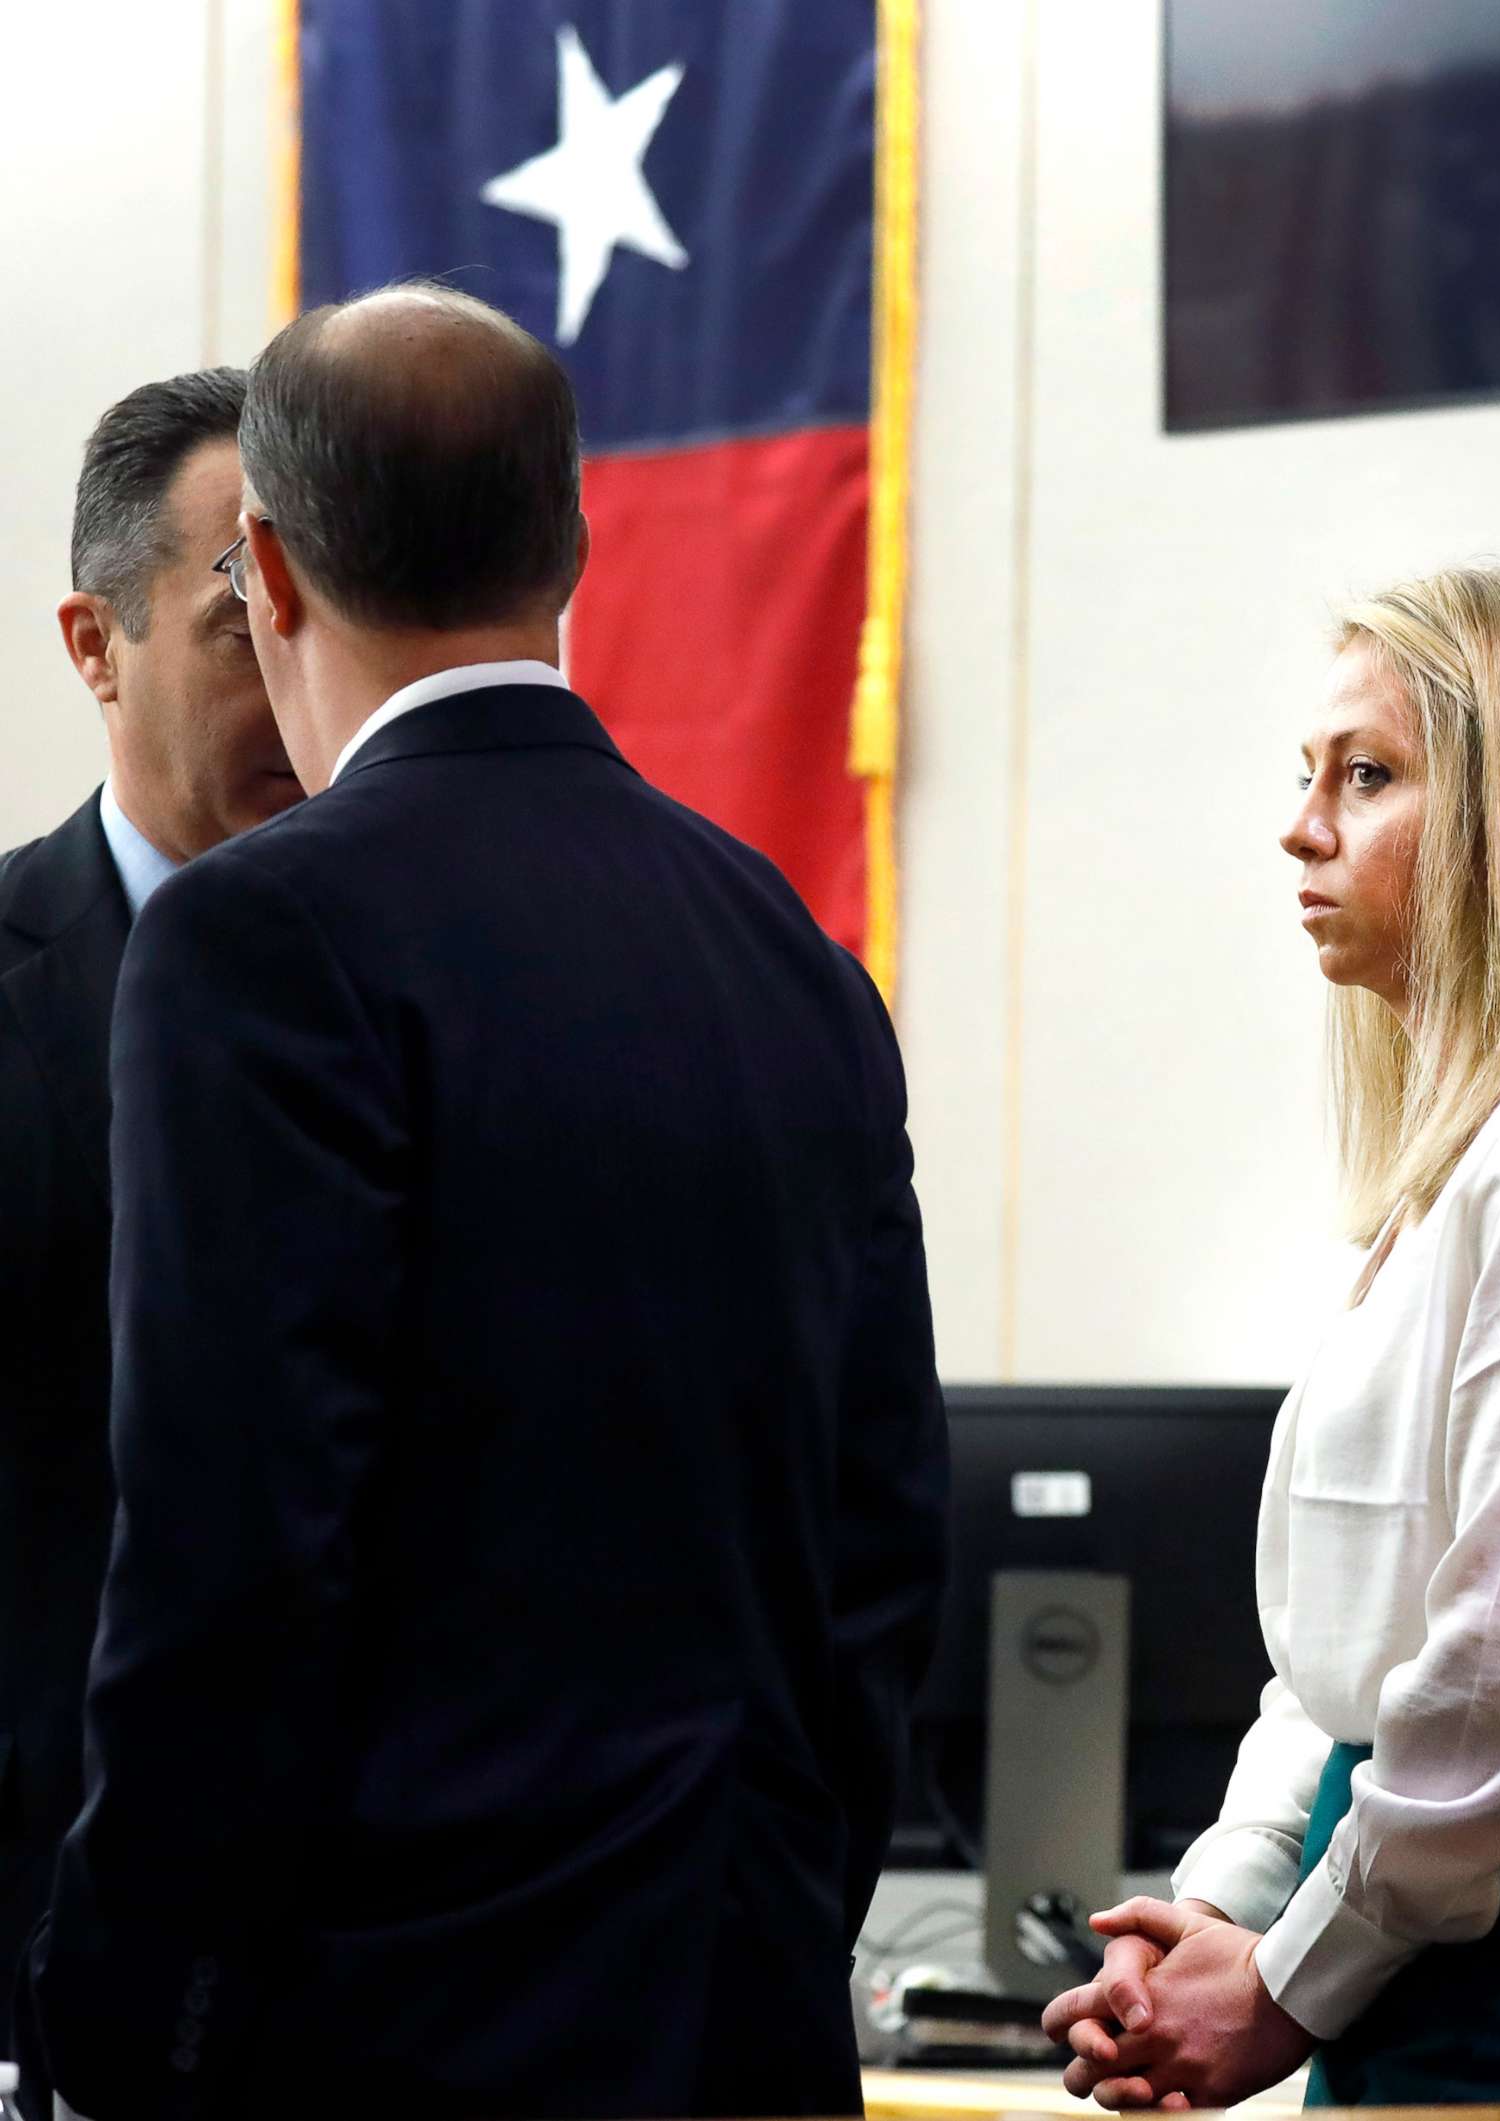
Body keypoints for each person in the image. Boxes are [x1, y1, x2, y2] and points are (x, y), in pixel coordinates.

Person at [17, 283, 949, 2120]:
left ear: (266, 574)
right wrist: (758, 1917)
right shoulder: (788, 946)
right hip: (739, 2022)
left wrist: (129, 2028)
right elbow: (884, 1539)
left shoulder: (254, 936)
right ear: (575, 545)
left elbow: (237, 1557)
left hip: (387, 2043)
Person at [1042, 566, 1500, 2108]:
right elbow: (1352, 1659)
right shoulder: (1484, 1152)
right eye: (1308, 776)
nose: (1301, 827)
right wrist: (1223, 1910)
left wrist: (1288, 1977)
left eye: (1367, 776)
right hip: (1426, 1919)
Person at [0, 366, 296, 2057]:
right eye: (245, 616)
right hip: (37, 1943)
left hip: (392, 1976)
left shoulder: (459, 996)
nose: (307, 669)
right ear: (95, 644)